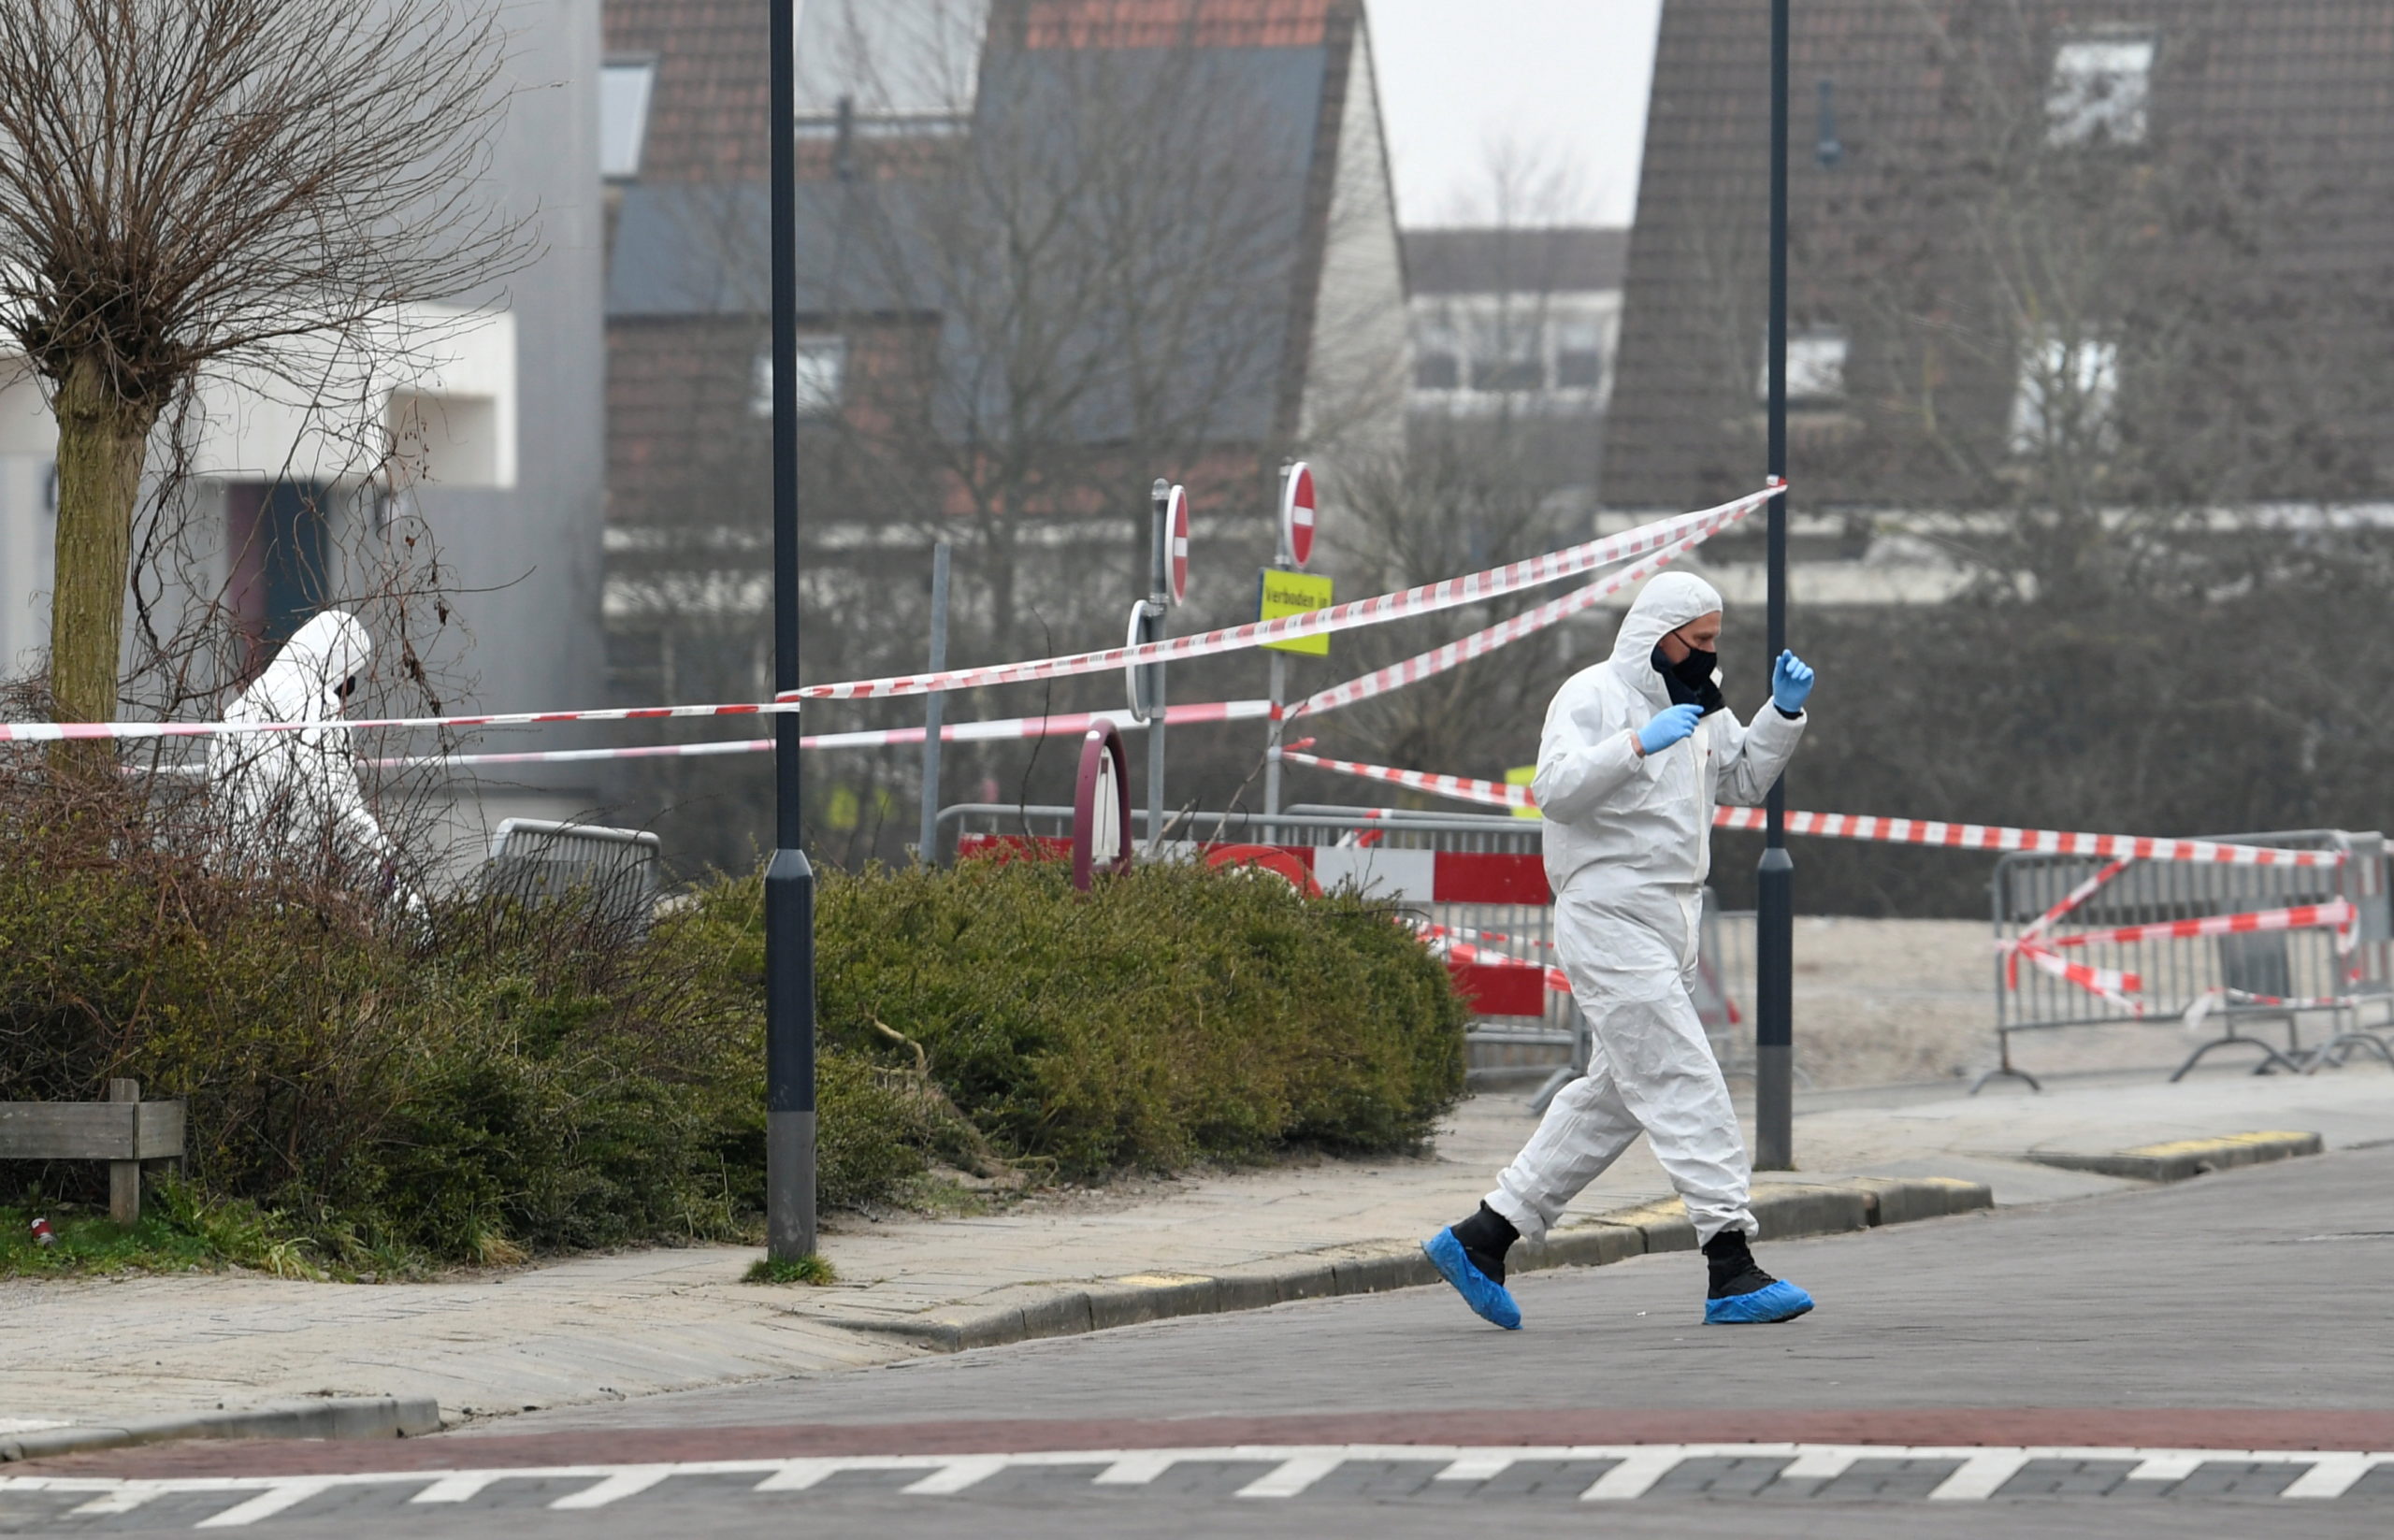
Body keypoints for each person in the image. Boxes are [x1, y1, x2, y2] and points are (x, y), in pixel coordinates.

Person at [1422, 571, 1817, 1329]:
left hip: (1672, 916)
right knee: (1681, 1072)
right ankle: (1729, 1257)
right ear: (1656, 634)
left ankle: (1484, 1236)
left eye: (1713, 641)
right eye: (1696, 640)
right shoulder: (1591, 694)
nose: (1707, 653)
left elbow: (1740, 778)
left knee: (1614, 1097)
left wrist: (1782, 712)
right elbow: (1555, 787)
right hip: (1607, 912)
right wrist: (1635, 744)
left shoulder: (1701, 699)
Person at [208, 610, 406, 897]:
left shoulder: (247, 701)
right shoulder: (316, 707)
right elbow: (332, 801)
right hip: (288, 878)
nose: (346, 696)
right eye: (349, 683)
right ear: (340, 669)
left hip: (229, 871)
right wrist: (382, 852)